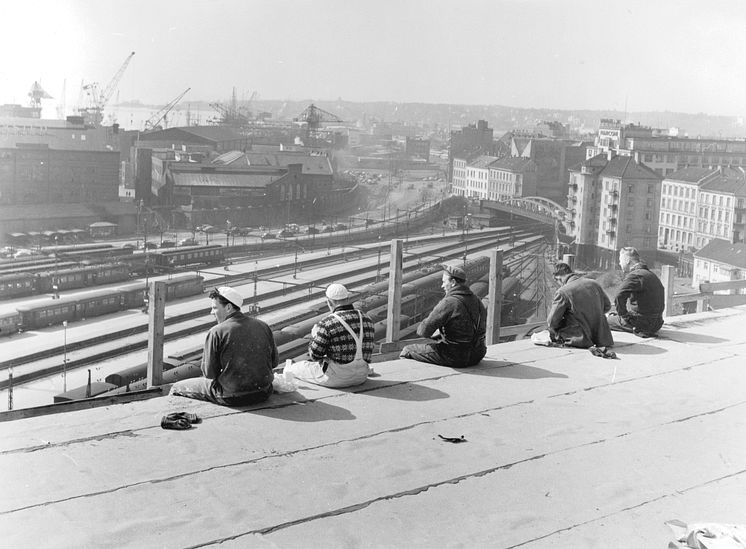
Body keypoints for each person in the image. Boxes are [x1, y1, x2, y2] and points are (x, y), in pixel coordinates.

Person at [170, 286, 277, 406]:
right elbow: (274, 363)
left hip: (232, 396)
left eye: (215, 308)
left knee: (176, 387)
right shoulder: (263, 326)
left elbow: (209, 374)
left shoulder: (216, 332)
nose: (211, 312)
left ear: (229, 307)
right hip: (264, 392)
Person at [284, 283, 375, 388]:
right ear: (348, 299)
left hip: (336, 379)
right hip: (361, 377)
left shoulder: (327, 323)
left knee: (294, 368)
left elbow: (315, 355)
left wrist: (315, 335)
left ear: (329, 302)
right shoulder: (367, 319)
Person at [399, 264, 486, 367]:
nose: (442, 286)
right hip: (477, 354)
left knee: (407, 350)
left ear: (453, 282)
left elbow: (423, 331)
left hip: (455, 357)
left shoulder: (449, 302)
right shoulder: (477, 300)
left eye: (444, 282)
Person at [547, 262, 614, 348]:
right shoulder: (594, 283)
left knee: (554, 329)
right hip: (601, 337)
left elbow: (551, 321)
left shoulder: (563, 292)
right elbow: (607, 306)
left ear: (558, 278)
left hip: (580, 339)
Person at [607, 247, 665, 337]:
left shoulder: (635, 275)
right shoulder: (650, 274)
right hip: (657, 323)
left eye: (620, 260)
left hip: (642, 325)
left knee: (603, 321)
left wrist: (623, 315)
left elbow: (619, 295)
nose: (619, 263)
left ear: (627, 260)